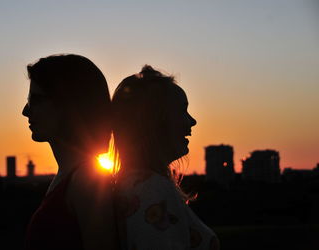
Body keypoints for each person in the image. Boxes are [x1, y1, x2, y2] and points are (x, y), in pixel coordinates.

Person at [112, 65, 220, 250]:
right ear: (154, 122)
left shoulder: (131, 184)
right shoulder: (153, 190)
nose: (192, 121)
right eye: (182, 111)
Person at [22, 54, 118, 250]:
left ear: (70, 105)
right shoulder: (71, 177)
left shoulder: (87, 181)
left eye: (37, 100)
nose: (25, 110)